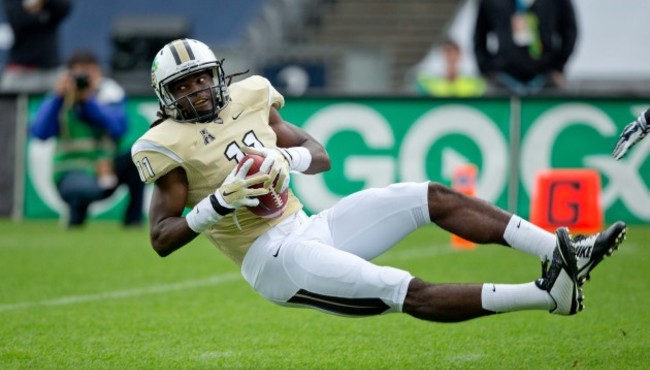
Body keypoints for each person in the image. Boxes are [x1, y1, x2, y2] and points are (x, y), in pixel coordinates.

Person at [132, 38, 627, 323]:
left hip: (309, 225)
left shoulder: (251, 95)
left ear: (217, 74)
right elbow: (160, 239)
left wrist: (286, 159)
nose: (197, 90)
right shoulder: (168, 142)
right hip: (271, 258)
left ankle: (563, 251)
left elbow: (319, 154)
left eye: (201, 78)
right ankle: (545, 296)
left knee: (426, 196)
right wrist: (217, 203)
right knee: (402, 289)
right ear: (165, 95)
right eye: (183, 84)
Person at [30, 49, 144, 227]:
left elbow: (119, 128)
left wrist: (87, 101)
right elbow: (40, 133)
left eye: (89, 73)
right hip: (72, 169)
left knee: (137, 159)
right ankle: (76, 219)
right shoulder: (60, 99)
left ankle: (133, 221)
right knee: (83, 188)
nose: (85, 79)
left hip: (106, 168)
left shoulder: (109, 94)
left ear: (99, 73)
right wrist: (58, 98)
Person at [472, 0, 577, 96]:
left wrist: (558, 67)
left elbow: (570, 31)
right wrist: (486, 70)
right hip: (504, 78)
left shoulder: (556, 3)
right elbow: (479, 35)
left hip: (544, 78)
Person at [0, 0, 72, 93]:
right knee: (8, 103)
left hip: (51, 68)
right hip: (21, 70)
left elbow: (64, 8)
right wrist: (46, 16)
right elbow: (19, 19)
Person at [415, 39, 486, 97]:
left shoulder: (473, 81)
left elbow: (480, 90)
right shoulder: (428, 80)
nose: (451, 57)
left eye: (454, 53)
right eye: (448, 53)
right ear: (441, 55)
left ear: (460, 56)